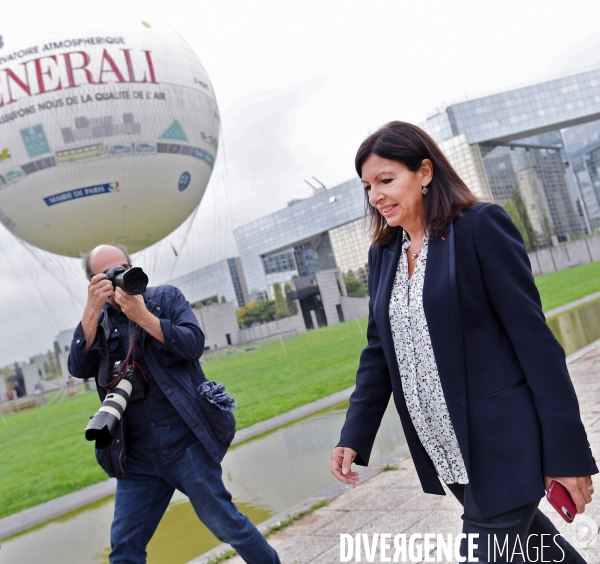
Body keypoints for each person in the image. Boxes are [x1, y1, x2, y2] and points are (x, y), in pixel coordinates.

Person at [331, 122, 597, 563]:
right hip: (447, 449)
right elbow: (380, 350)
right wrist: (354, 434)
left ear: (425, 172)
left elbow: (536, 345)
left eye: (385, 179)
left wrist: (567, 454)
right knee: (537, 549)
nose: (376, 196)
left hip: (504, 443)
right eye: (367, 187)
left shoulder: (479, 227)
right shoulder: (384, 255)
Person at [68, 244, 280, 564]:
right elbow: (78, 368)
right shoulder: (96, 322)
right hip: (136, 456)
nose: (119, 277)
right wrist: (90, 311)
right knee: (124, 548)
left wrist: (143, 316)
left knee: (227, 525)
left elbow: (193, 344)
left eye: (123, 267)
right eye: (108, 274)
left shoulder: (164, 299)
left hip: (184, 444)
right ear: (94, 282)